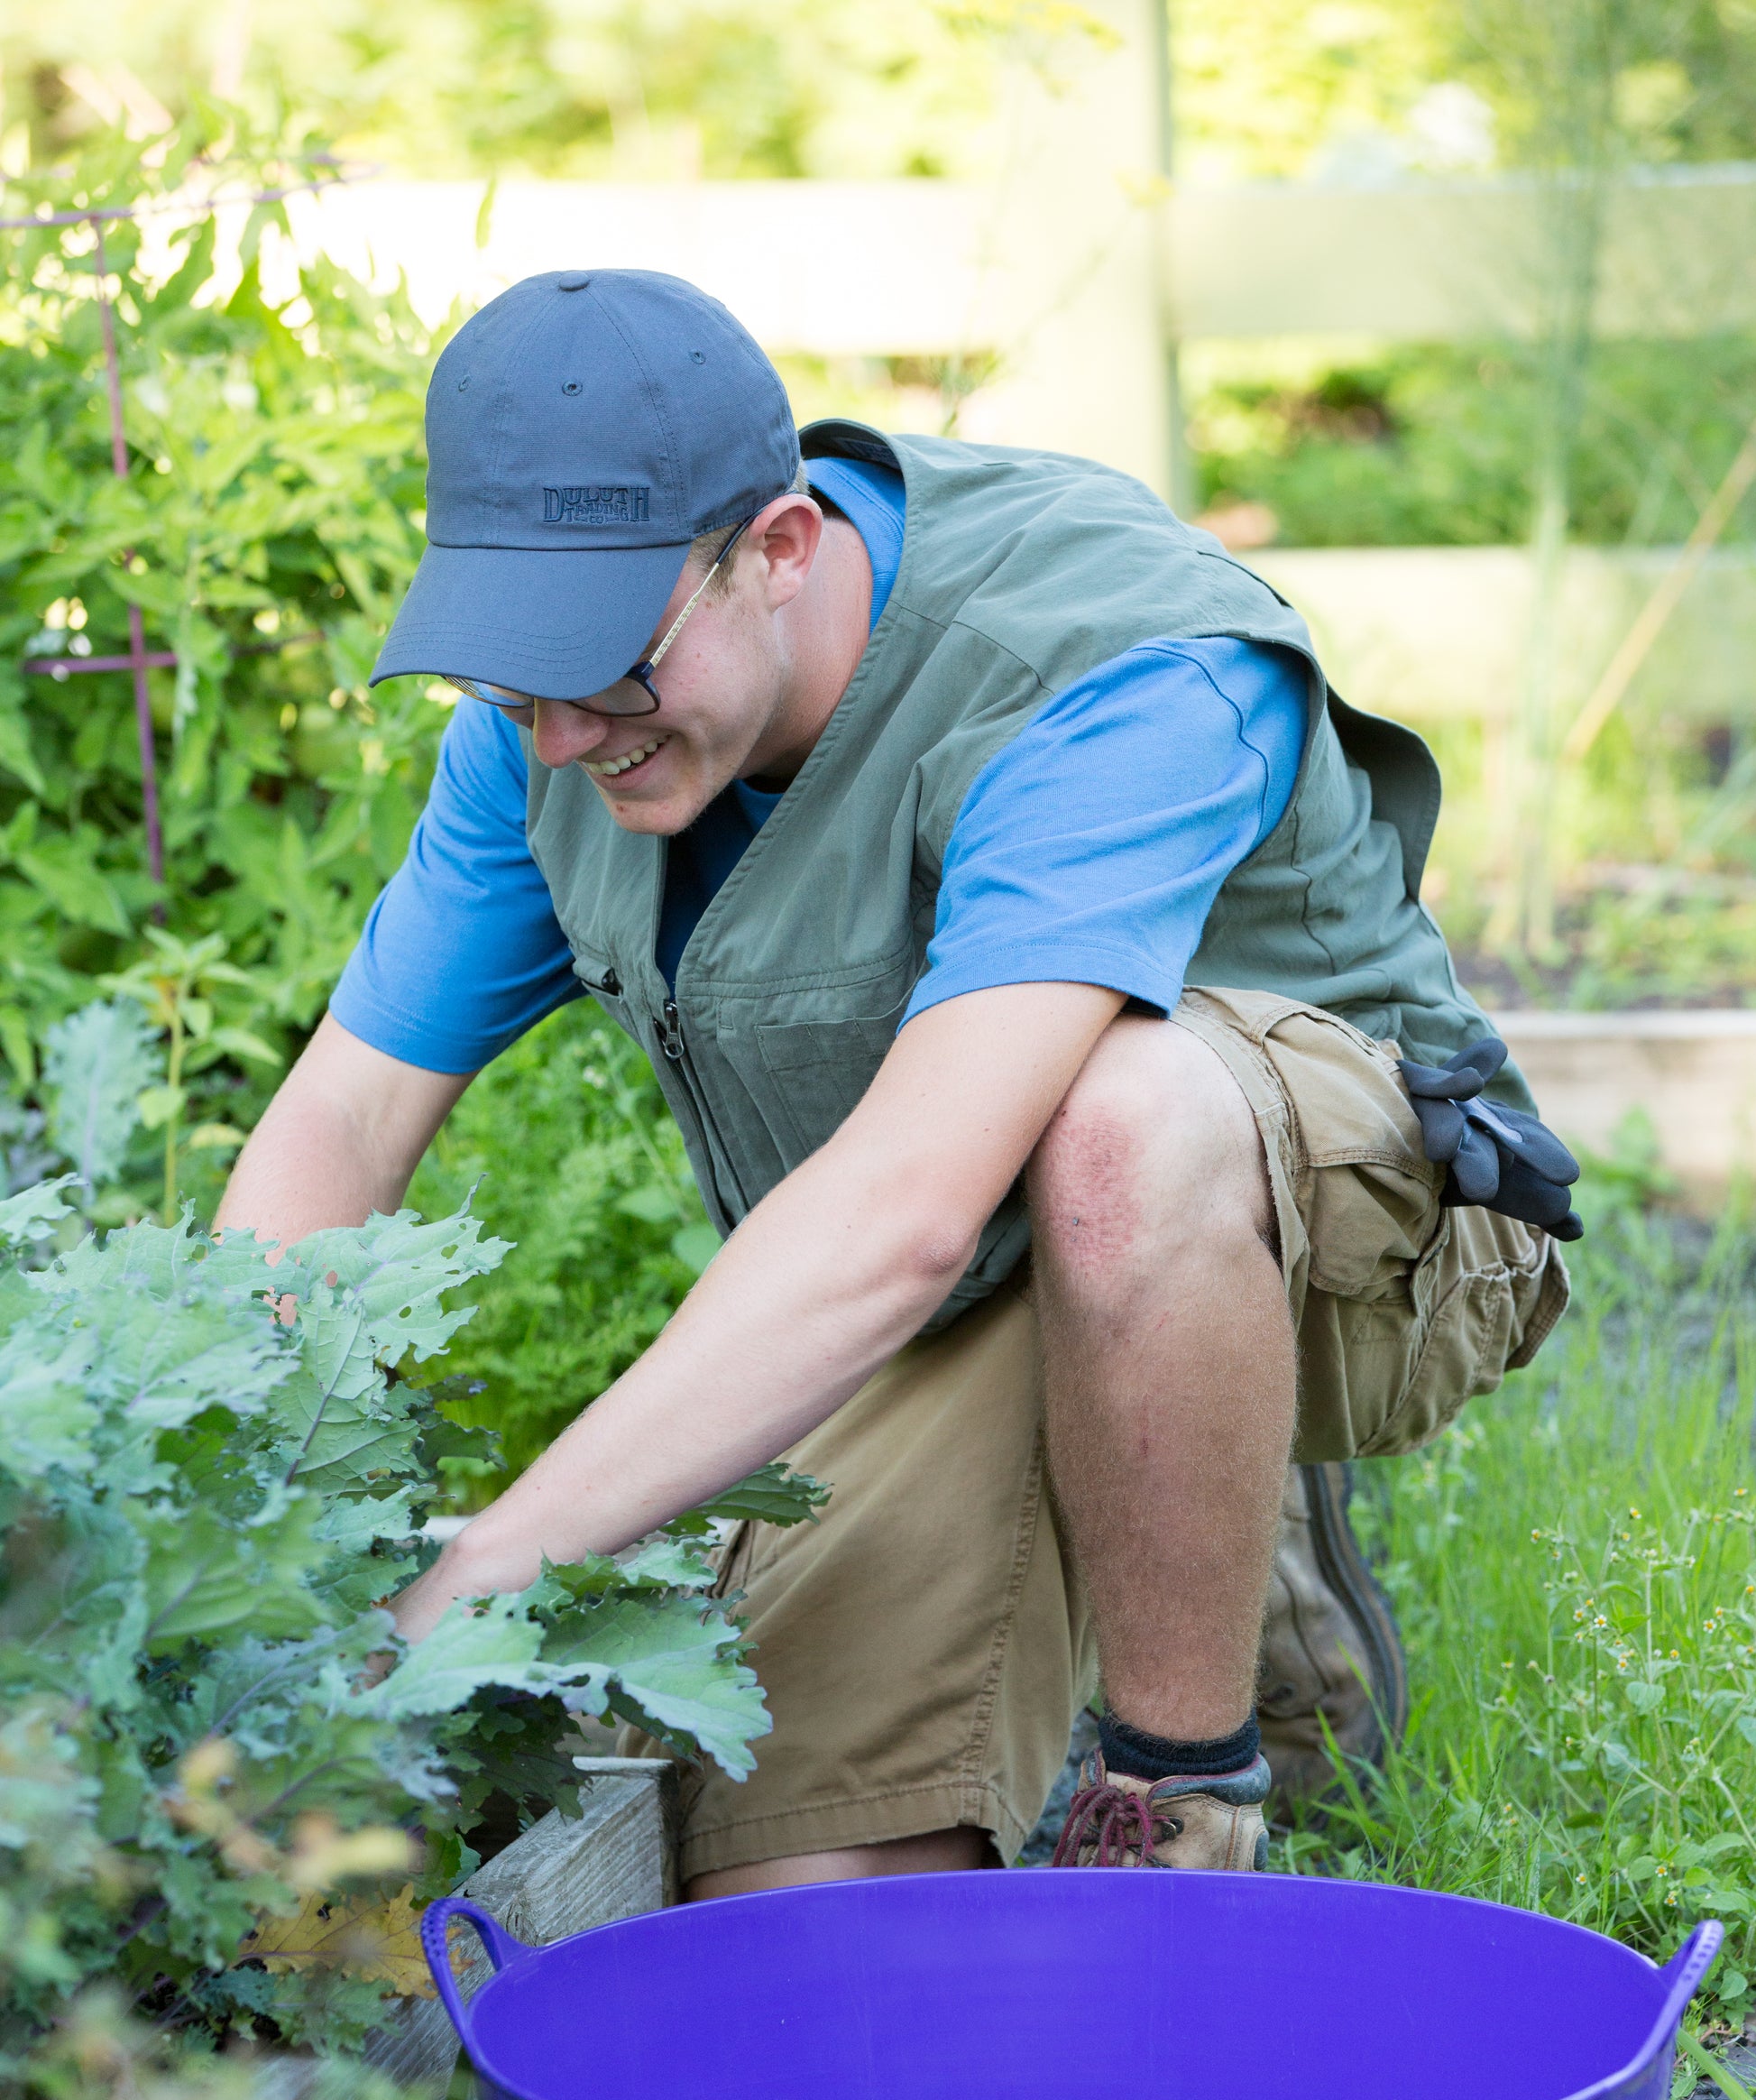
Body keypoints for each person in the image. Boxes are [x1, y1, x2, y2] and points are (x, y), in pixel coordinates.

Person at [220, 268, 1578, 1894]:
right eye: (515, 682)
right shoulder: (551, 740)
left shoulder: (1108, 670)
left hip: (1354, 1238)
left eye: (610, 669)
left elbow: (907, 1220)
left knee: (1120, 1124)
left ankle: (1180, 1806)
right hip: (958, 1247)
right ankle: (1181, 1517)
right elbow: (348, 1119)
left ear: (779, 550)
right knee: (801, 1887)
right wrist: (231, 1496)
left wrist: (493, 1562)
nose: (565, 736)